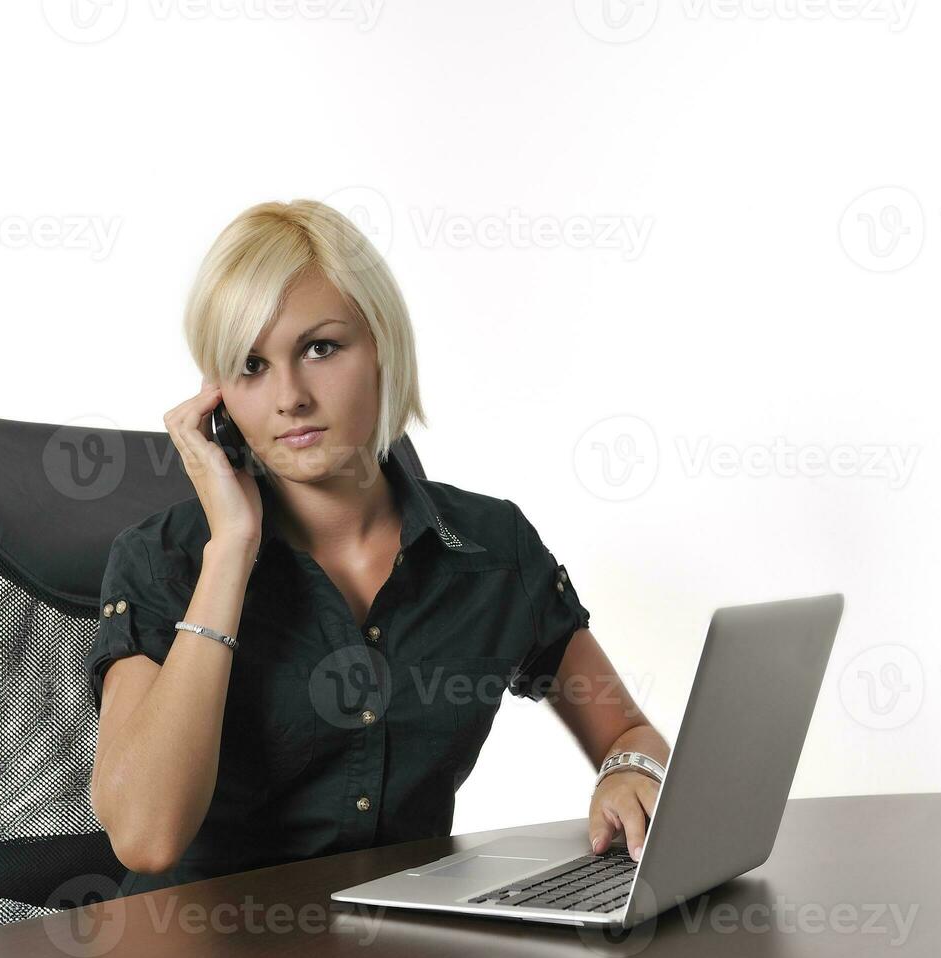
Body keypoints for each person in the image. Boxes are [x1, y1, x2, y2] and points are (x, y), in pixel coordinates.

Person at [86, 199, 671, 897]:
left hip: (404, 948)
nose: (290, 397)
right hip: (204, 954)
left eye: (320, 348)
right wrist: (232, 552)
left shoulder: (489, 550)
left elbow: (626, 729)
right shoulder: (167, 560)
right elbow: (147, 838)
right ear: (218, 397)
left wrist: (630, 770)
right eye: (250, 366)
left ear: (382, 347)